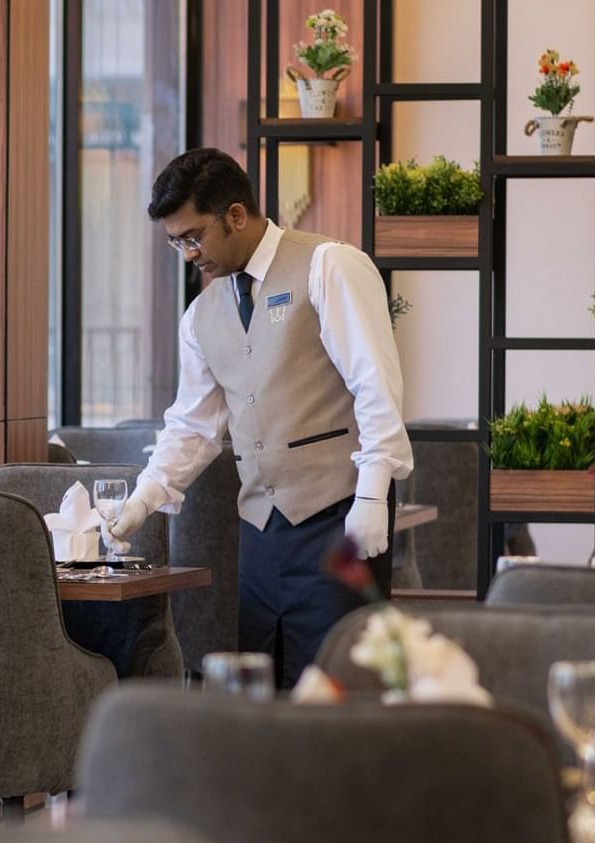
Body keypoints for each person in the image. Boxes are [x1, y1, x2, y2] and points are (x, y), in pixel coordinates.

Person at [110, 148, 411, 686]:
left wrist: (372, 495)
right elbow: (194, 426)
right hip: (260, 535)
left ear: (236, 215)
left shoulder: (329, 265)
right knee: (264, 690)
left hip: (338, 516)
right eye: (176, 242)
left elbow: (376, 385)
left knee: (337, 689)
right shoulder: (200, 316)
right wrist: (145, 497)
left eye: (194, 236)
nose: (187, 254)